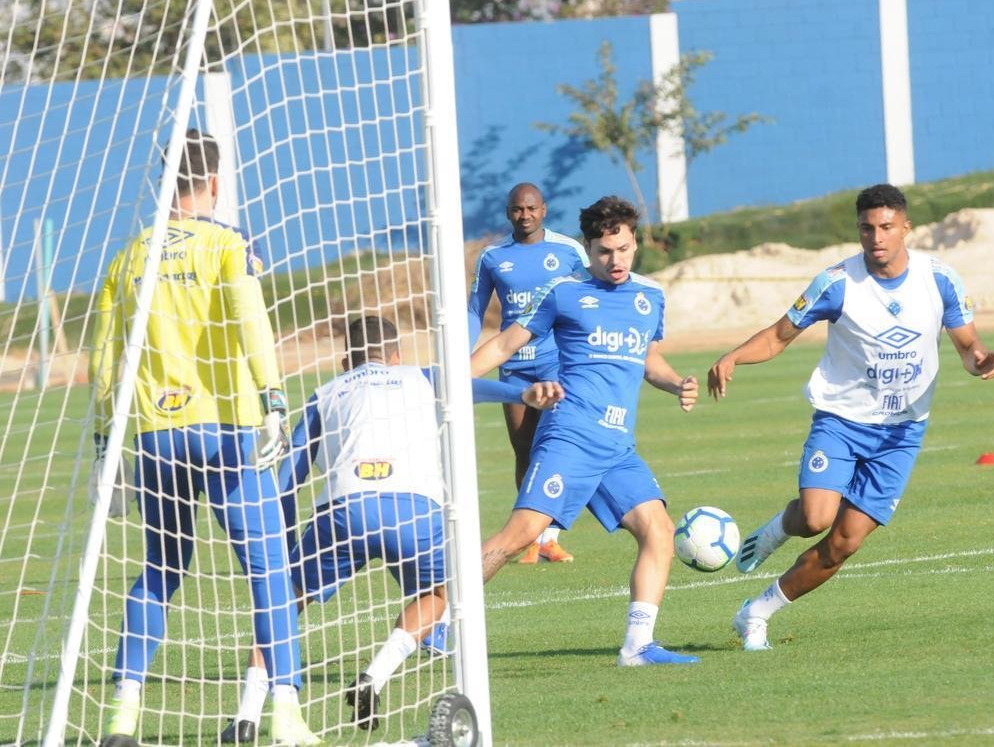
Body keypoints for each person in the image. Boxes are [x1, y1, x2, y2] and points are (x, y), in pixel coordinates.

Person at [221, 316, 562, 742]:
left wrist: (284, 549)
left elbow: (288, 482)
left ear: (346, 360)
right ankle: (374, 675)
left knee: (282, 603)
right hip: (414, 507)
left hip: (344, 508)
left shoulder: (324, 392)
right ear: (396, 354)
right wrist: (522, 394)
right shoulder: (419, 376)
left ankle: (247, 714)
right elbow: (466, 386)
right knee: (442, 593)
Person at [89, 130, 316, 746]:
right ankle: (287, 715)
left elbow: (106, 356)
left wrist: (105, 438)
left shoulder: (129, 254)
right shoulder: (226, 244)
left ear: (162, 181)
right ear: (215, 182)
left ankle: (123, 712)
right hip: (227, 432)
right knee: (269, 571)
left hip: (156, 438)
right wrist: (273, 398)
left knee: (161, 567)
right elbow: (250, 319)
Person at [706, 184, 994, 651]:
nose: (876, 237)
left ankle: (757, 612)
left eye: (886, 227)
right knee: (814, 517)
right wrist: (733, 358)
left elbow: (967, 345)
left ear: (906, 227)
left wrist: (980, 361)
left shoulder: (940, 278)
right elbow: (780, 335)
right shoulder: (836, 282)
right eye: (867, 228)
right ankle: (774, 531)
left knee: (843, 544)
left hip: (902, 432)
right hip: (842, 421)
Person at [471, 195, 702, 666]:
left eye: (623, 249)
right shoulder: (563, 292)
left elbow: (647, 359)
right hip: (571, 436)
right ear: (588, 248)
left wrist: (677, 382)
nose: (615, 261)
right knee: (520, 535)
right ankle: (436, 615)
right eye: (604, 252)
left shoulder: (650, 296)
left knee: (658, 530)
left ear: (635, 244)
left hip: (617, 445)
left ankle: (637, 647)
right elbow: (503, 345)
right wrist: (453, 378)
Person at [468, 182, 589, 564]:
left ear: (544, 210)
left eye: (532, 209)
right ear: (509, 213)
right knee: (523, 449)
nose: (525, 216)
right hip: (515, 369)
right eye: (518, 210)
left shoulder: (569, 251)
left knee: (553, 448)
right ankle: (529, 541)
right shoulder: (492, 257)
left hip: (555, 363)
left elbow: (590, 298)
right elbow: (475, 310)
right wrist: (463, 352)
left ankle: (548, 537)